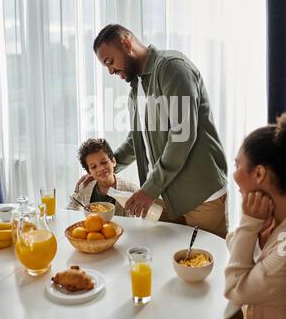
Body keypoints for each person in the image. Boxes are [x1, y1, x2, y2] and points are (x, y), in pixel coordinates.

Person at [79, 24, 228, 237]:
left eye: (110, 62)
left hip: (201, 197)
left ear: (127, 43)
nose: (110, 71)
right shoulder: (136, 90)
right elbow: (136, 141)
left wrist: (149, 189)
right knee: (165, 262)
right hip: (166, 197)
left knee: (206, 263)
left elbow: (182, 136)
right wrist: (104, 168)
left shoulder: (172, 68)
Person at [195, 114, 286, 319]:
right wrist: (252, 228)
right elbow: (232, 240)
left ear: (259, 174)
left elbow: (234, 290)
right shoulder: (274, 218)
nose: (233, 174)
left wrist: (248, 223)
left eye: (237, 165)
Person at [67, 138, 138, 216]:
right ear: (89, 172)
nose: (100, 168)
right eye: (94, 167)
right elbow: (72, 207)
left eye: (104, 162)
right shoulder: (86, 187)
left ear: (113, 161)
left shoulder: (131, 189)